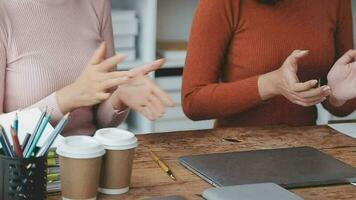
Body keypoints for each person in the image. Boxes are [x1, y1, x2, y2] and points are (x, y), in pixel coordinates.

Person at [0, 0, 174, 136]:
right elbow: (2, 131)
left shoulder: (96, 3)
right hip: (28, 169)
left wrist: (120, 96)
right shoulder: (5, 11)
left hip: (88, 159)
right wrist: (70, 97)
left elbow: (100, 122)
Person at [182, 0, 356, 127]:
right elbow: (193, 102)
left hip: (307, 150)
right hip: (234, 149)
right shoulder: (222, 4)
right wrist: (271, 84)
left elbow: (343, 107)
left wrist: (336, 95)